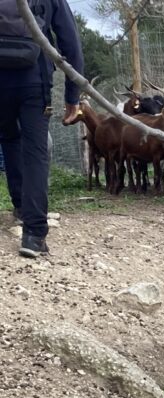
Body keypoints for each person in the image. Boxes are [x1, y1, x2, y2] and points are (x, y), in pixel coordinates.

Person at [0, 0, 84, 257]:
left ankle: (21, 207)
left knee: (9, 139)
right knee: (35, 151)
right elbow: (71, 42)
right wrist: (73, 96)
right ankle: (34, 235)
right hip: (34, 81)